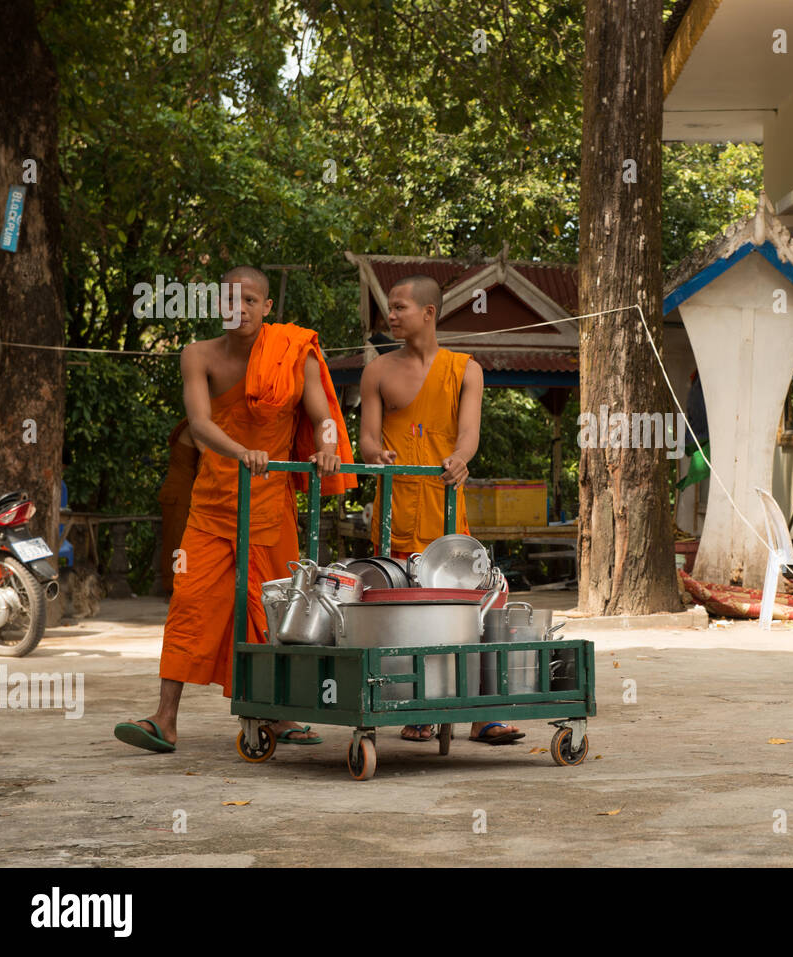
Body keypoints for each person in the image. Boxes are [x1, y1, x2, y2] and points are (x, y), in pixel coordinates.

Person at [115, 266, 356, 752]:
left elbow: (324, 417)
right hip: (212, 506)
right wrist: (239, 451)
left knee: (278, 613)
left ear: (267, 308)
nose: (238, 309)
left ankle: (278, 716)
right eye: (229, 300)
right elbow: (200, 424)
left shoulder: (295, 352)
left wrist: (327, 448)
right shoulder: (197, 355)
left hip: (271, 510)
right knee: (190, 606)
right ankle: (165, 719)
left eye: (249, 300)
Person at [358, 273, 521, 745]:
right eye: (389, 307)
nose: (390, 315)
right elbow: (368, 437)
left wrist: (460, 458)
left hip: (446, 509)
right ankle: (418, 708)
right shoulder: (378, 370)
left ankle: (480, 713)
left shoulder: (466, 369)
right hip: (394, 509)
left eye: (400, 307)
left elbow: (468, 433)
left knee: (468, 607)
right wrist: (374, 454)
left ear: (428, 314)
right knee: (402, 609)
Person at [157, 420, 199, 595]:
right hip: (180, 493)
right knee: (179, 544)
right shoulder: (195, 426)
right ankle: (176, 586)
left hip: (180, 491)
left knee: (178, 541)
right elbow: (210, 456)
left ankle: (178, 585)